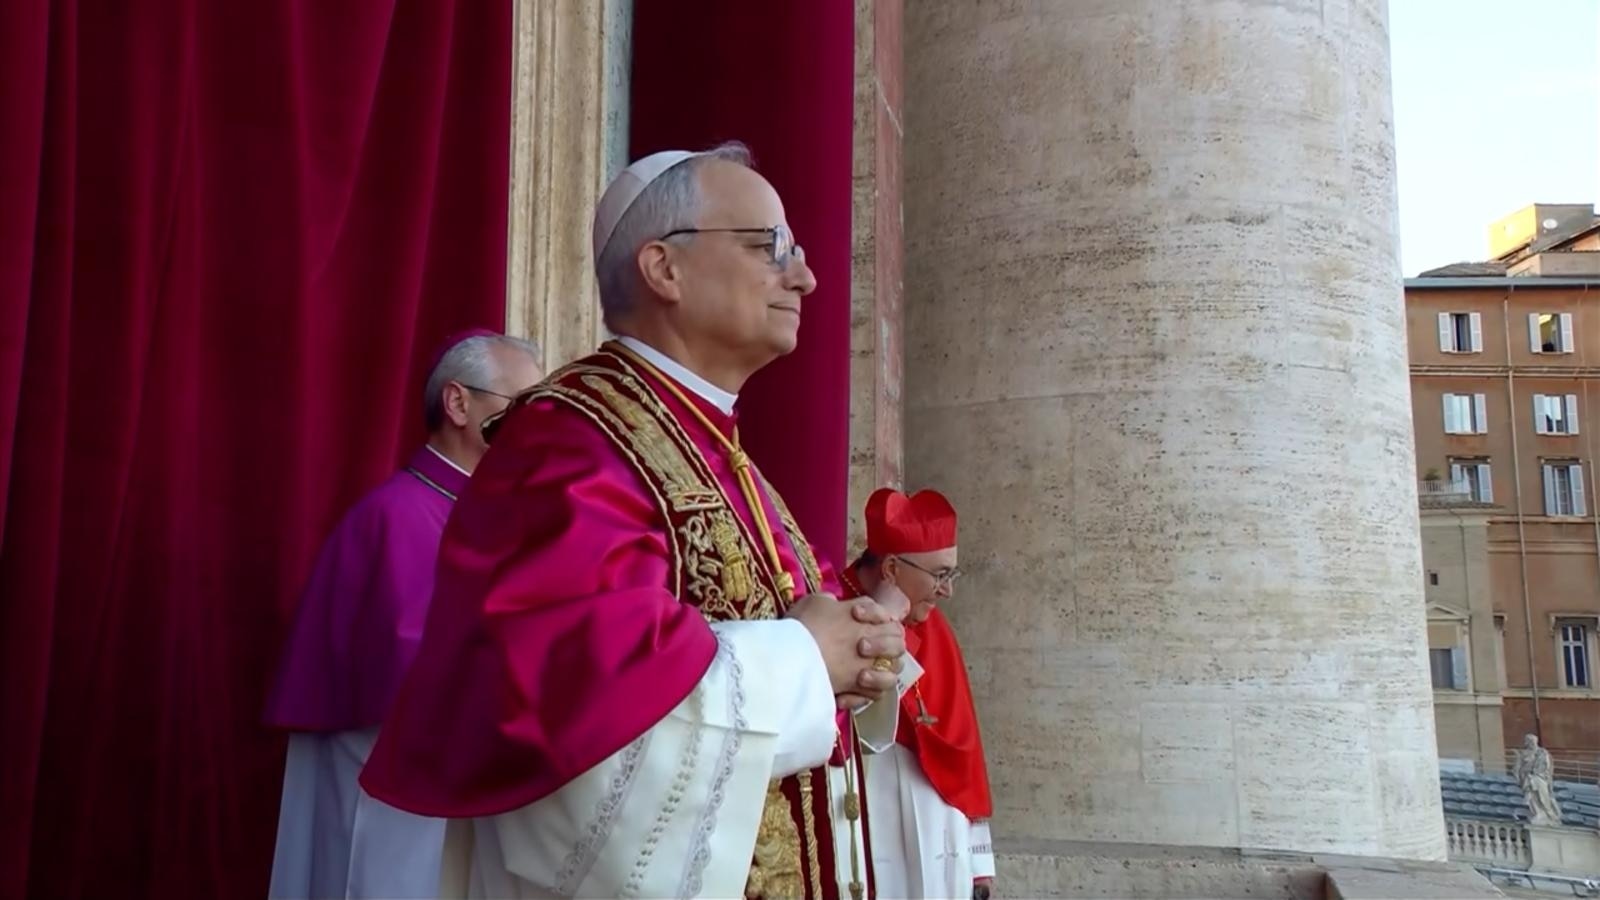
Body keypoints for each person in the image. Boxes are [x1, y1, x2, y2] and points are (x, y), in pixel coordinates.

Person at [358, 144, 917, 900]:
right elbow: (571, 701)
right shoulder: (568, 441)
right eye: (769, 246)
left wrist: (862, 651)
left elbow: (810, 632)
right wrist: (805, 662)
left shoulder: (720, 451)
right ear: (664, 268)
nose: (805, 276)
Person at [263, 331, 544, 899]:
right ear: (459, 404)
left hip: (449, 777)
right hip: (388, 776)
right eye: (519, 407)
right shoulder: (399, 516)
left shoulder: (479, 512)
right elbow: (415, 659)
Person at [839, 488, 996, 900]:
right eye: (940, 575)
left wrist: (980, 862)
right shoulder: (835, 610)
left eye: (951, 575)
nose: (947, 591)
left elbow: (964, 749)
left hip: (942, 828)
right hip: (869, 807)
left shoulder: (938, 630)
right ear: (891, 567)